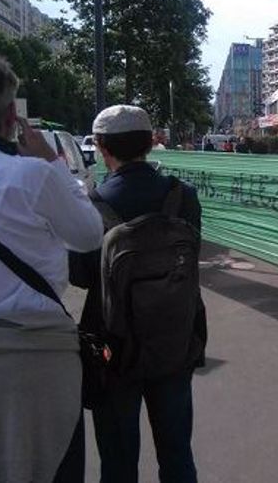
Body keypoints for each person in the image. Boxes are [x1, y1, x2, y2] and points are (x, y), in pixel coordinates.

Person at [0, 51, 104, 483]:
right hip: (39, 362)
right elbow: (89, 235)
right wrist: (52, 162)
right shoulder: (34, 175)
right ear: (12, 114)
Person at [71, 105, 206, 483]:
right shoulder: (183, 196)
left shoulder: (92, 203)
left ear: (100, 146)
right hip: (175, 339)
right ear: (151, 142)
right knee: (177, 455)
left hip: (113, 347)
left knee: (117, 461)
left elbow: (80, 275)